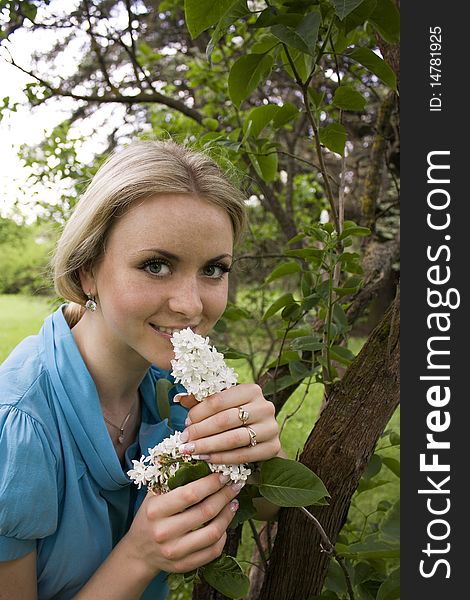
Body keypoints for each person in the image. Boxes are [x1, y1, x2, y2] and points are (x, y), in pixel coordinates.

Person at [0, 140, 282, 600]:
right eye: (156, 265)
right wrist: (140, 556)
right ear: (87, 270)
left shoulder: (175, 388)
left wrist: (260, 450)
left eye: (214, 269)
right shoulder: (17, 428)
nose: (190, 304)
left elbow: (271, 507)